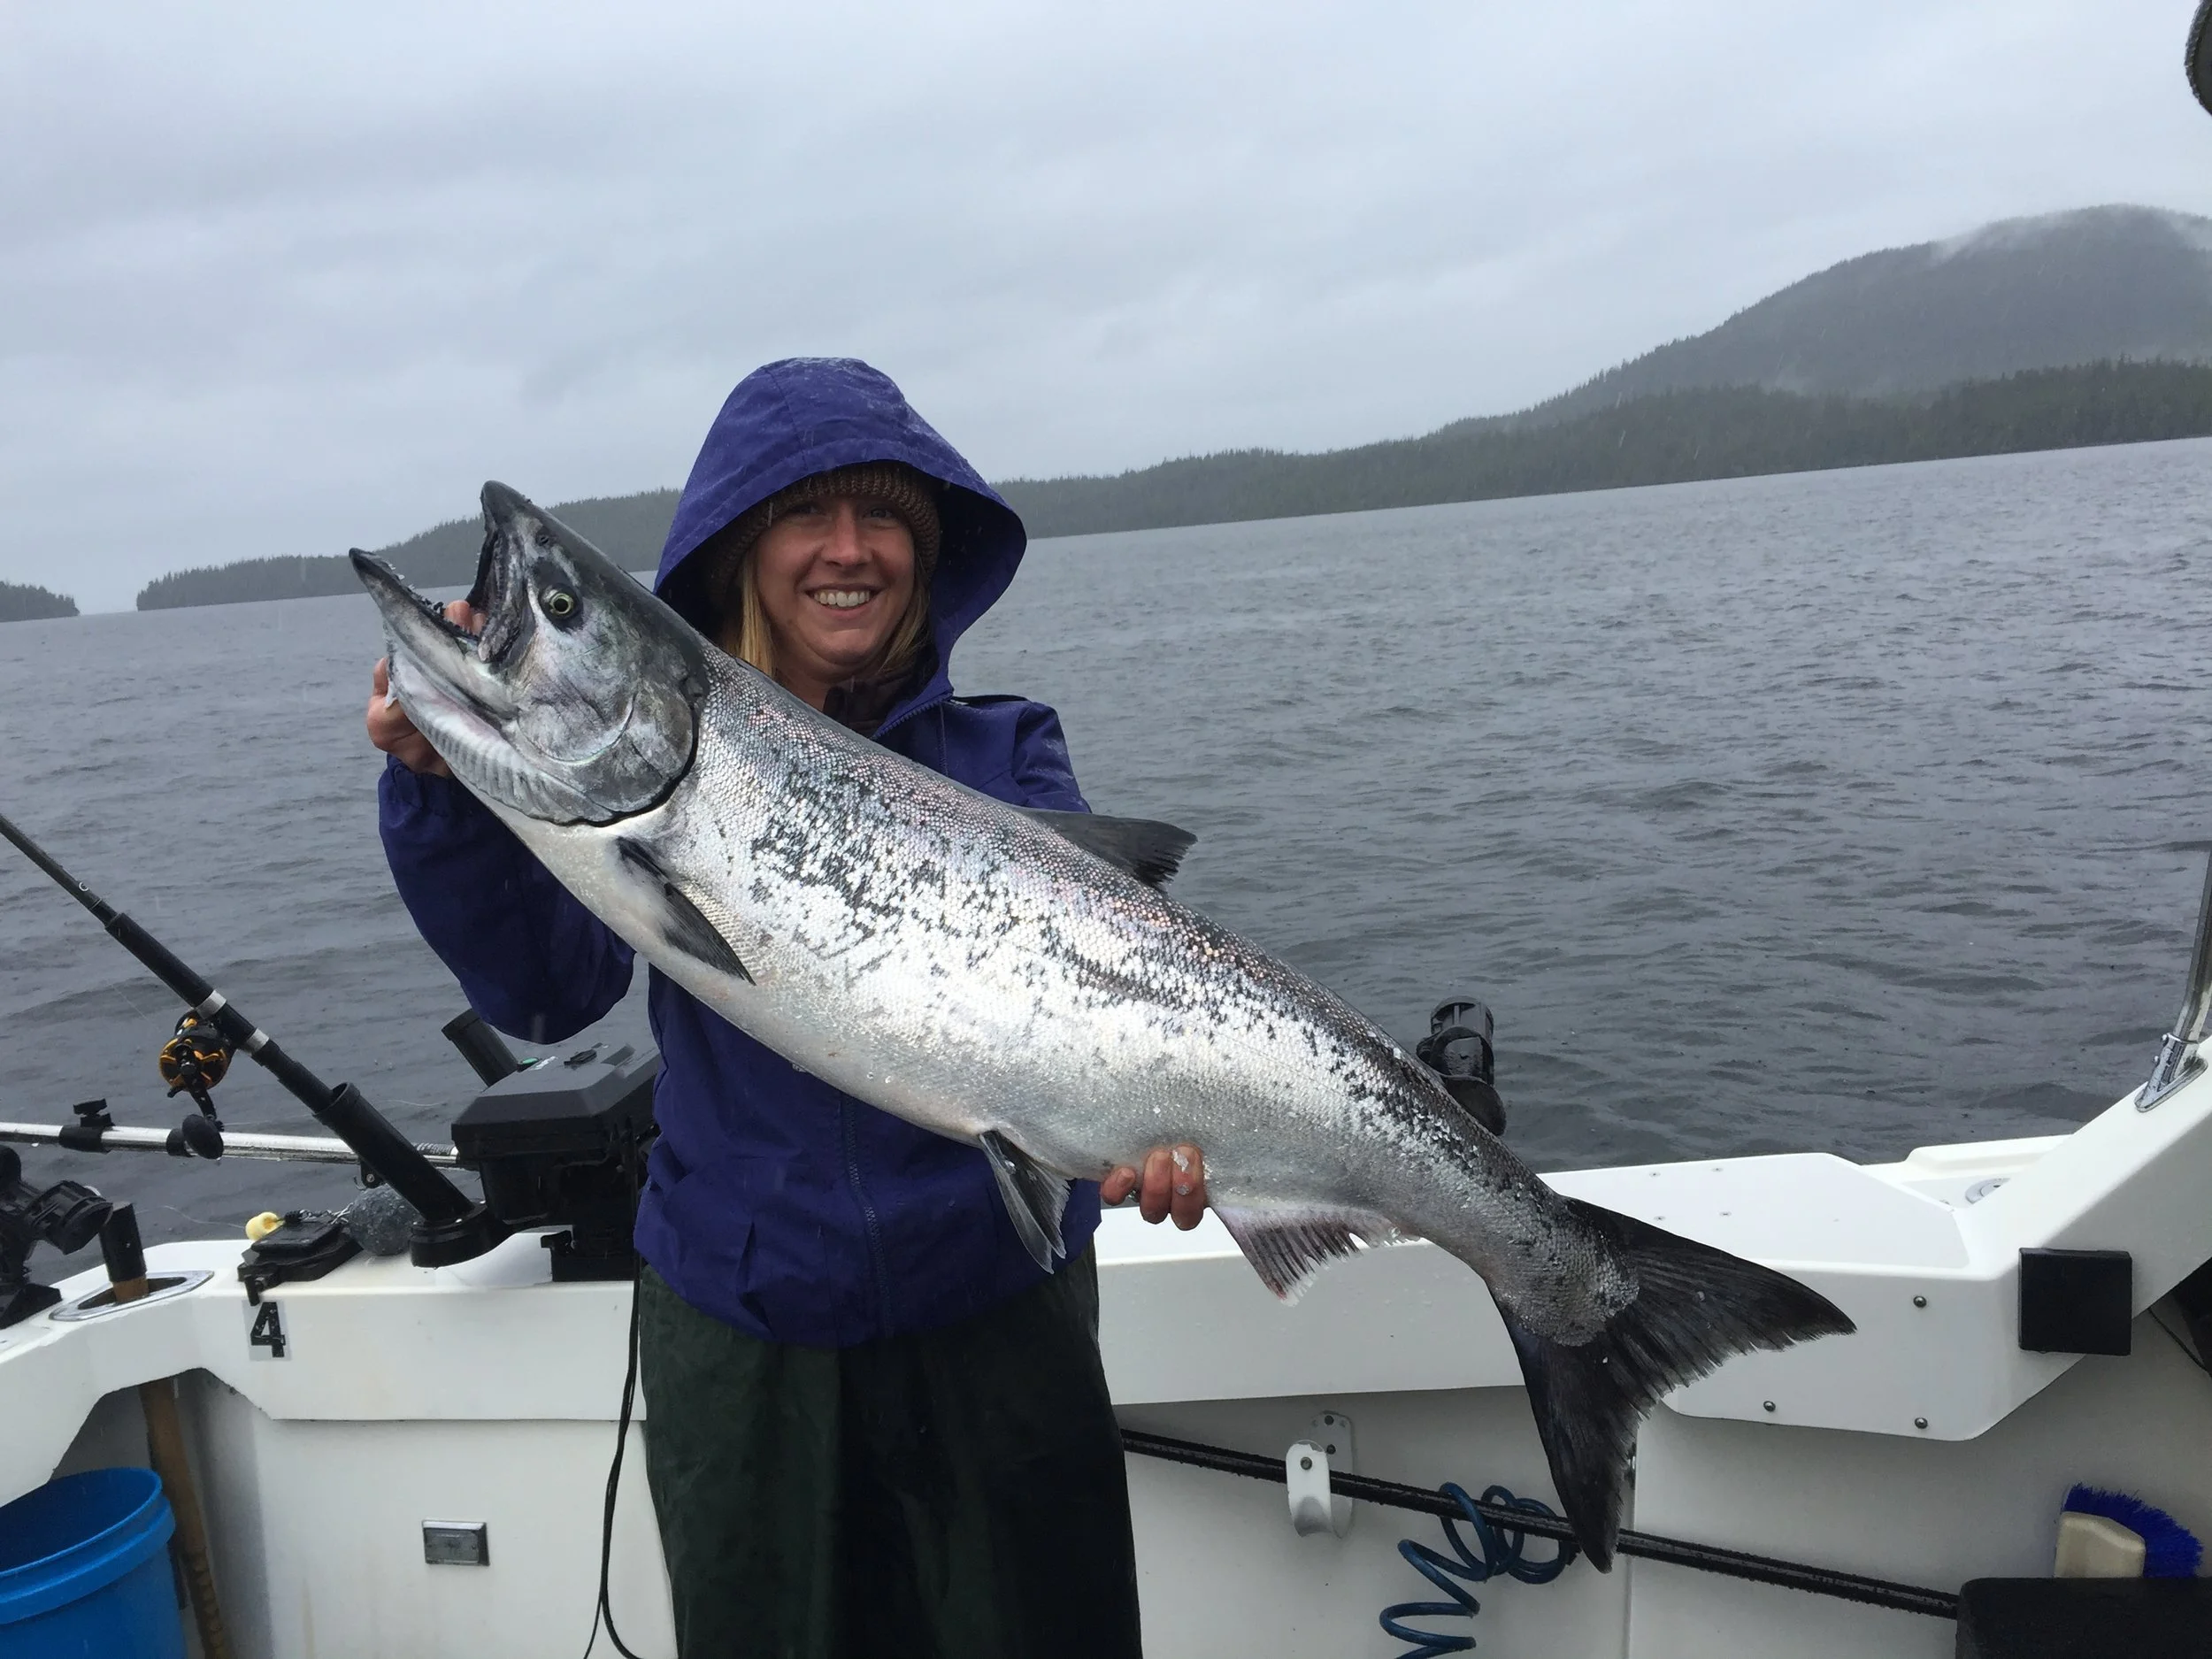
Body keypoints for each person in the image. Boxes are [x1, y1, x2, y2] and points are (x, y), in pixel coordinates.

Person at [365, 357, 1207, 1658]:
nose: (849, 550)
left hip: (998, 1319)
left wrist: (1148, 1136)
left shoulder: (1009, 752)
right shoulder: (646, 780)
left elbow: (1098, 1015)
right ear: (742, 552)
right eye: (807, 516)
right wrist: (444, 787)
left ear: (928, 554)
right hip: (746, 1342)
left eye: (883, 517)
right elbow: (548, 990)